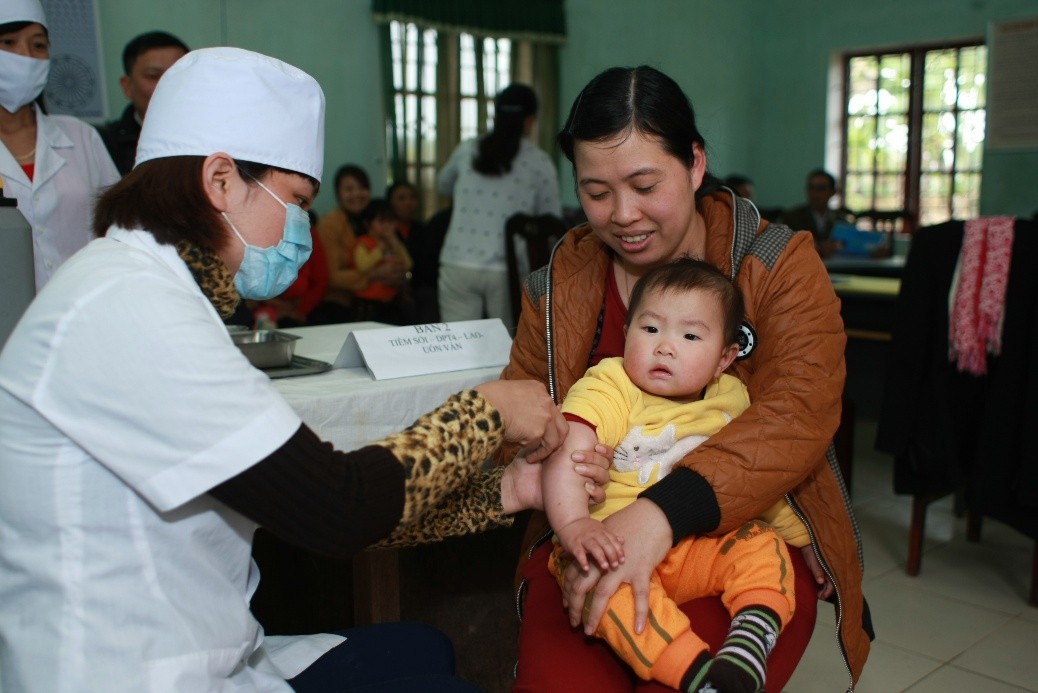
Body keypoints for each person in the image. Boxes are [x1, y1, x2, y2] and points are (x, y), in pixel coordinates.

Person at [0, 47, 611, 692]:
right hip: (126, 671)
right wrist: (488, 410)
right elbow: (337, 506)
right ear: (220, 181)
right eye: (295, 200)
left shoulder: (146, 288)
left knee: (421, 648)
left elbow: (296, 495)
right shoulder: (130, 307)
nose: (303, 229)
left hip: (188, 641)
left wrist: (510, 491)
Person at [498, 65, 871, 692]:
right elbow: (524, 410)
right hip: (589, 540)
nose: (622, 215)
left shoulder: (773, 263)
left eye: (646, 185)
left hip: (737, 532)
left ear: (695, 164)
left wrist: (658, 516)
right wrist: (560, 455)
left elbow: (797, 413)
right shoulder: (559, 281)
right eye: (595, 191)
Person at [544, 258, 806, 692]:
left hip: (697, 544)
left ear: (724, 358)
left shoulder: (735, 399)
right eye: (650, 330)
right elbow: (570, 449)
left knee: (762, 545)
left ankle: (748, 644)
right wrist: (575, 524)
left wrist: (802, 537)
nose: (665, 346)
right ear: (627, 332)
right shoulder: (611, 384)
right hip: (609, 543)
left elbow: (755, 478)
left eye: (689, 336)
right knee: (603, 592)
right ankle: (699, 677)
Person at [0, 0, 120, 292]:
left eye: (38, 46)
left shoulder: (81, 137)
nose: (26, 57)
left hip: (84, 308)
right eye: (8, 43)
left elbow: (120, 228)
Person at [437, 83, 561, 328]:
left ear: (496, 115)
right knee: (505, 347)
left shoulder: (468, 149)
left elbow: (443, 185)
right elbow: (552, 220)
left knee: (456, 344)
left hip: (457, 261)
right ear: (530, 121)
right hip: (506, 268)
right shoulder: (539, 162)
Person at [311, 164, 407, 325]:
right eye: (349, 189)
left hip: (383, 298)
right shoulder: (330, 224)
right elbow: (331, 276)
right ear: (338, 194)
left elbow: (400, 257)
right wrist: (372, 275)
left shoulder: (377, 220)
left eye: (362, 188)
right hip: (340, 303)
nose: (356, 194)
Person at [95, 30, 189, 175]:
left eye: (178, 74)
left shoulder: (217, 137)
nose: (167, 85)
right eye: (153, 76)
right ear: (127, 86)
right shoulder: (104, 144)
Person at [251, 209, 329, 328]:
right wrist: (272, 303)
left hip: (301, 309)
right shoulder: (256, 233)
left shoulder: (309, 234)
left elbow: (320, 281)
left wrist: (299, 311)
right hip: (265, 307)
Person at [351, 197, 415, 325]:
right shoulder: (364, 242)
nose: (387, 226)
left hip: (392, 298)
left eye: (390, 222)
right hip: (369, 301)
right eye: (382, 221)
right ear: (367, 223)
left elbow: (408, 264)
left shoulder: (393, 242)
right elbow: (362, 265)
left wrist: (395, 243)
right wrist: (380, 250)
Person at [779, 169, 854, 258]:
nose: (815, 193)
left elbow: (851, 246)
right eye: (811, 188)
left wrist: (837, 247)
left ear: (833, 192)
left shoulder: (841, 220)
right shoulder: (792, 217)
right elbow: (783, 246)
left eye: (821, 188)